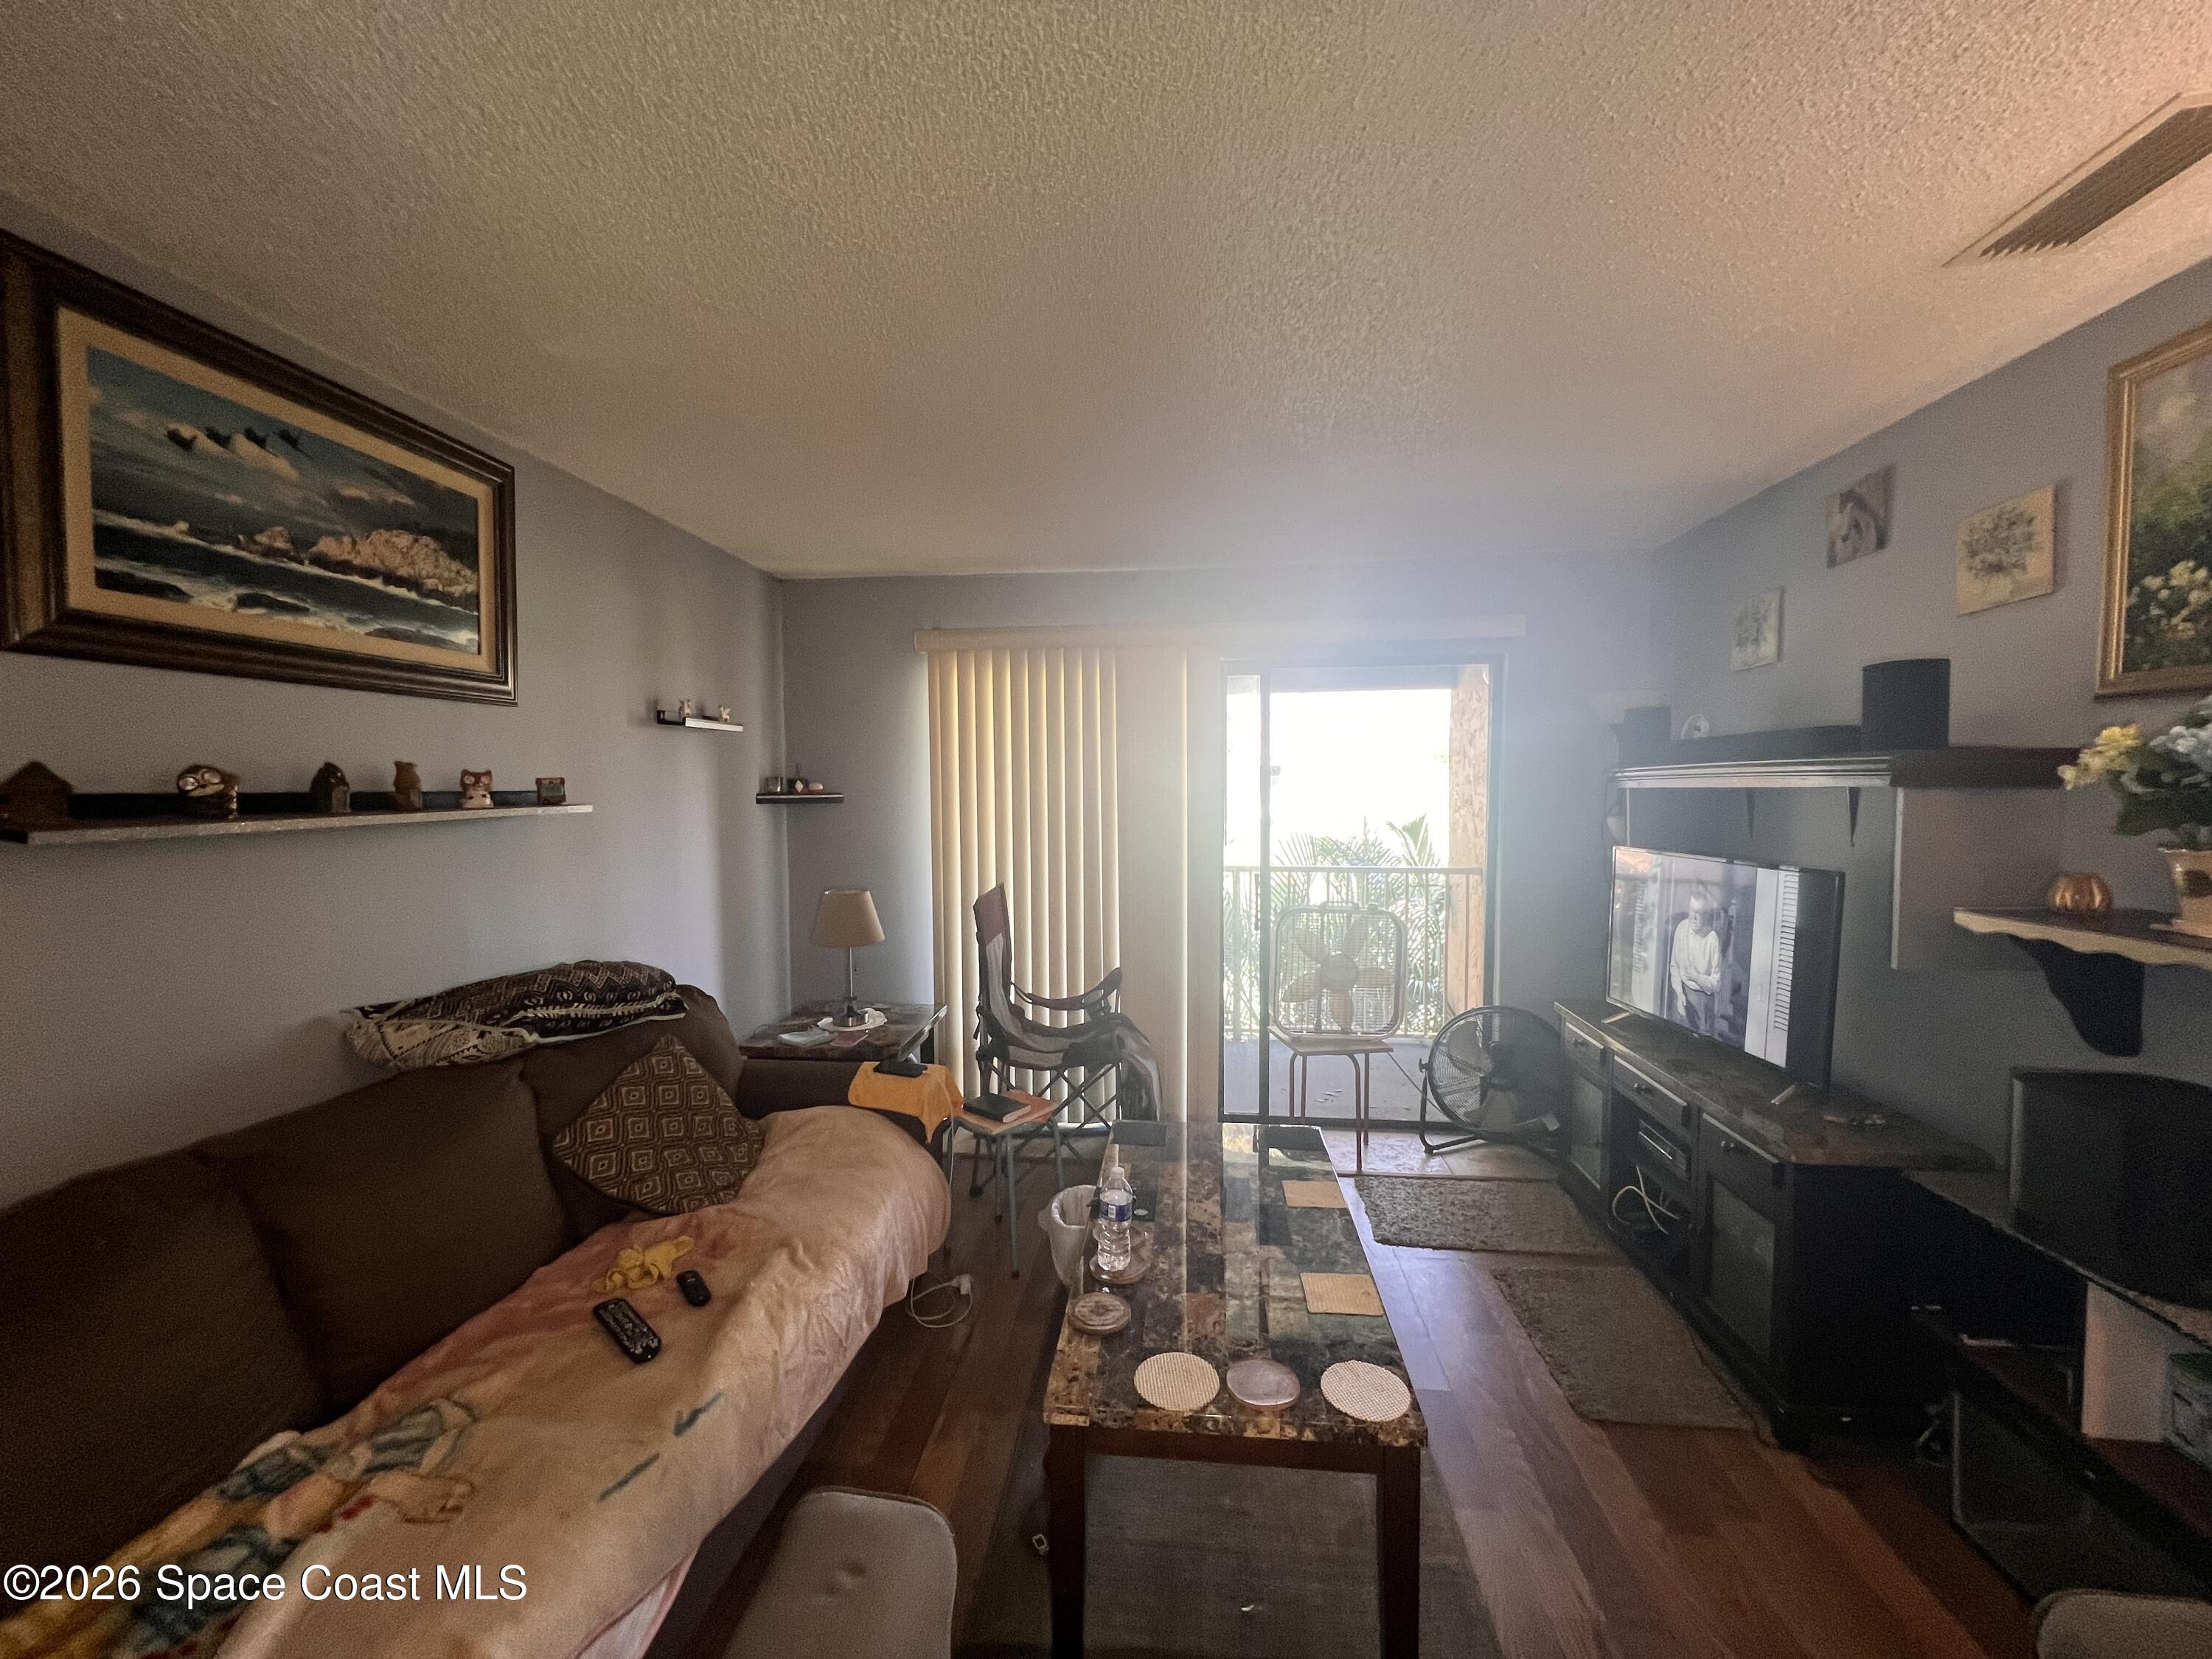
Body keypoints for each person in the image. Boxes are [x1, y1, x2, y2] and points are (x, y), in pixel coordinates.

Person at [1668, 888, 1723, 1034]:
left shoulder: (1712, 939)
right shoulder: (1681, 928)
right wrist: (1679, 994)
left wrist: (1697, 976)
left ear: (1706, 915)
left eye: (1699, 913)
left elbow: (1716, 984)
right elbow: (1674, 967)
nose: (1694, 917)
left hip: (1703, 1001)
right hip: (1680, 995)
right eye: (1692, 911)